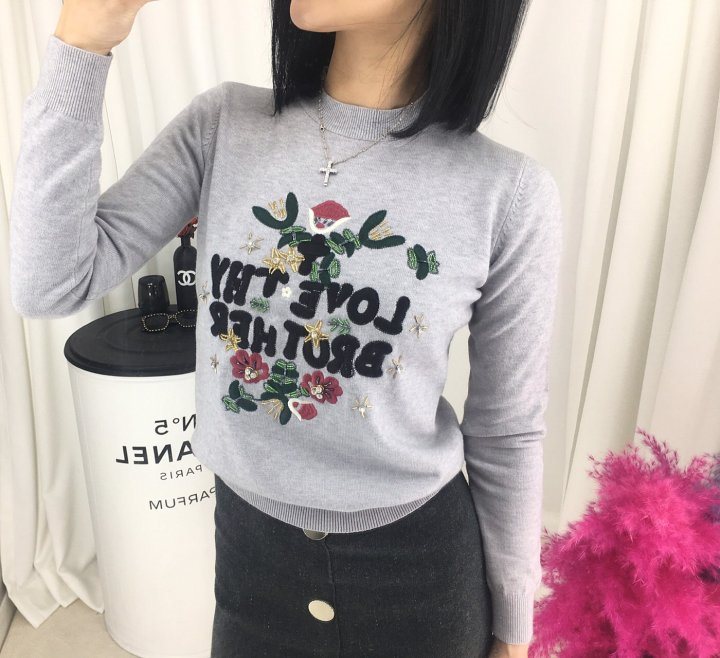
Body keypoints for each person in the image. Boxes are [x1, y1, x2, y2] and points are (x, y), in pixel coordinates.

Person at [9, 0, 563, 656]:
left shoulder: (508, 192)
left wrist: (513, 628)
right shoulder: (222, 126)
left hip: (418, 576)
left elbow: (506, 431)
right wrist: (82, 43)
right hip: (252, 560)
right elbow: (51, 282)